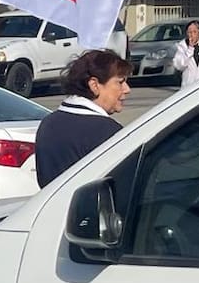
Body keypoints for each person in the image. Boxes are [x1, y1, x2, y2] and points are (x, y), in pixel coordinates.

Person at [34, 49, 131, 187]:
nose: (127, 89)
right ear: (94, 85)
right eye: (120, 82)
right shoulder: (105, 131)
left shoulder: (49, 122)